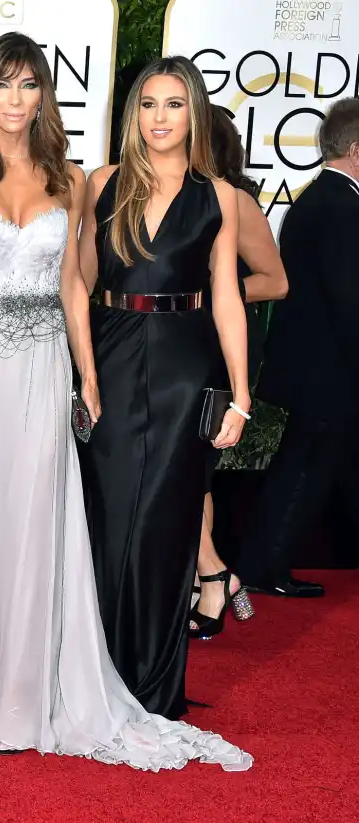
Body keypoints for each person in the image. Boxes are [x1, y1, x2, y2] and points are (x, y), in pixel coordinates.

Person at [0, 33, 251, 770]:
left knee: (39, 524)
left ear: (44, 95)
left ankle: (26, 686)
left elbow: (75, 281)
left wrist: (86, 372)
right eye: (0, 86)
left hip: (44, 367)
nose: (13, 100)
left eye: (27, 85)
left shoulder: (73, 178)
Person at [79, 56, 250, 721]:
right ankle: (97, 674)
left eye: (174, 104)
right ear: (132, 115)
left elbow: (229, 296)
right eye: (148, 104)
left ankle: (151, 685)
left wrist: (238, 392)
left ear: (194, 113)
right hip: (115, 354)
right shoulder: (103, 184)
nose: (159, 117)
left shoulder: (219, 197)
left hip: (184, 365)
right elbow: (80, 281)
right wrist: (85, 371)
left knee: (165, 522)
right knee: (110, 514)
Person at [235, 97, 359, 598]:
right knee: (305, 469)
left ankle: (266, 563)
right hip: (328, 371)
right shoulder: (340, 207)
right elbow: (349, 299)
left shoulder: (321, 199)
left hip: (319, 368)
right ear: (356, 149)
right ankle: (266, 567)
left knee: (309, 466)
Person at [189, 105, 288, 638]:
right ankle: (206, 577)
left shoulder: (235, 200)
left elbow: (275, 281)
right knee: (190, 476)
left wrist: (207, 297)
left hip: (216, 352)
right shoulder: (170, 191)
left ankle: (212, 576)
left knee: (190, 472)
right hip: (177, 348)